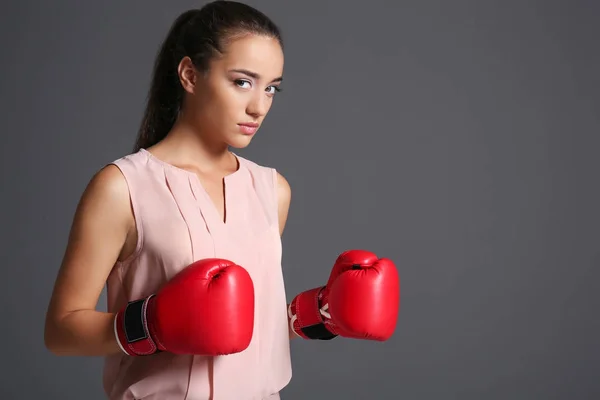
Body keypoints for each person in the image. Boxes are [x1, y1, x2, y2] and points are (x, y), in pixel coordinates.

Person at [43, 1, 400, 399]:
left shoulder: (271, 189)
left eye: (271, 88)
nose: (259, 106)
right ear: (190, 74)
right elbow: (61, 330)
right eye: (242, 82)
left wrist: (319, 313)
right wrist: (152, 324)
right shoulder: (122, 187)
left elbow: (238, 331)